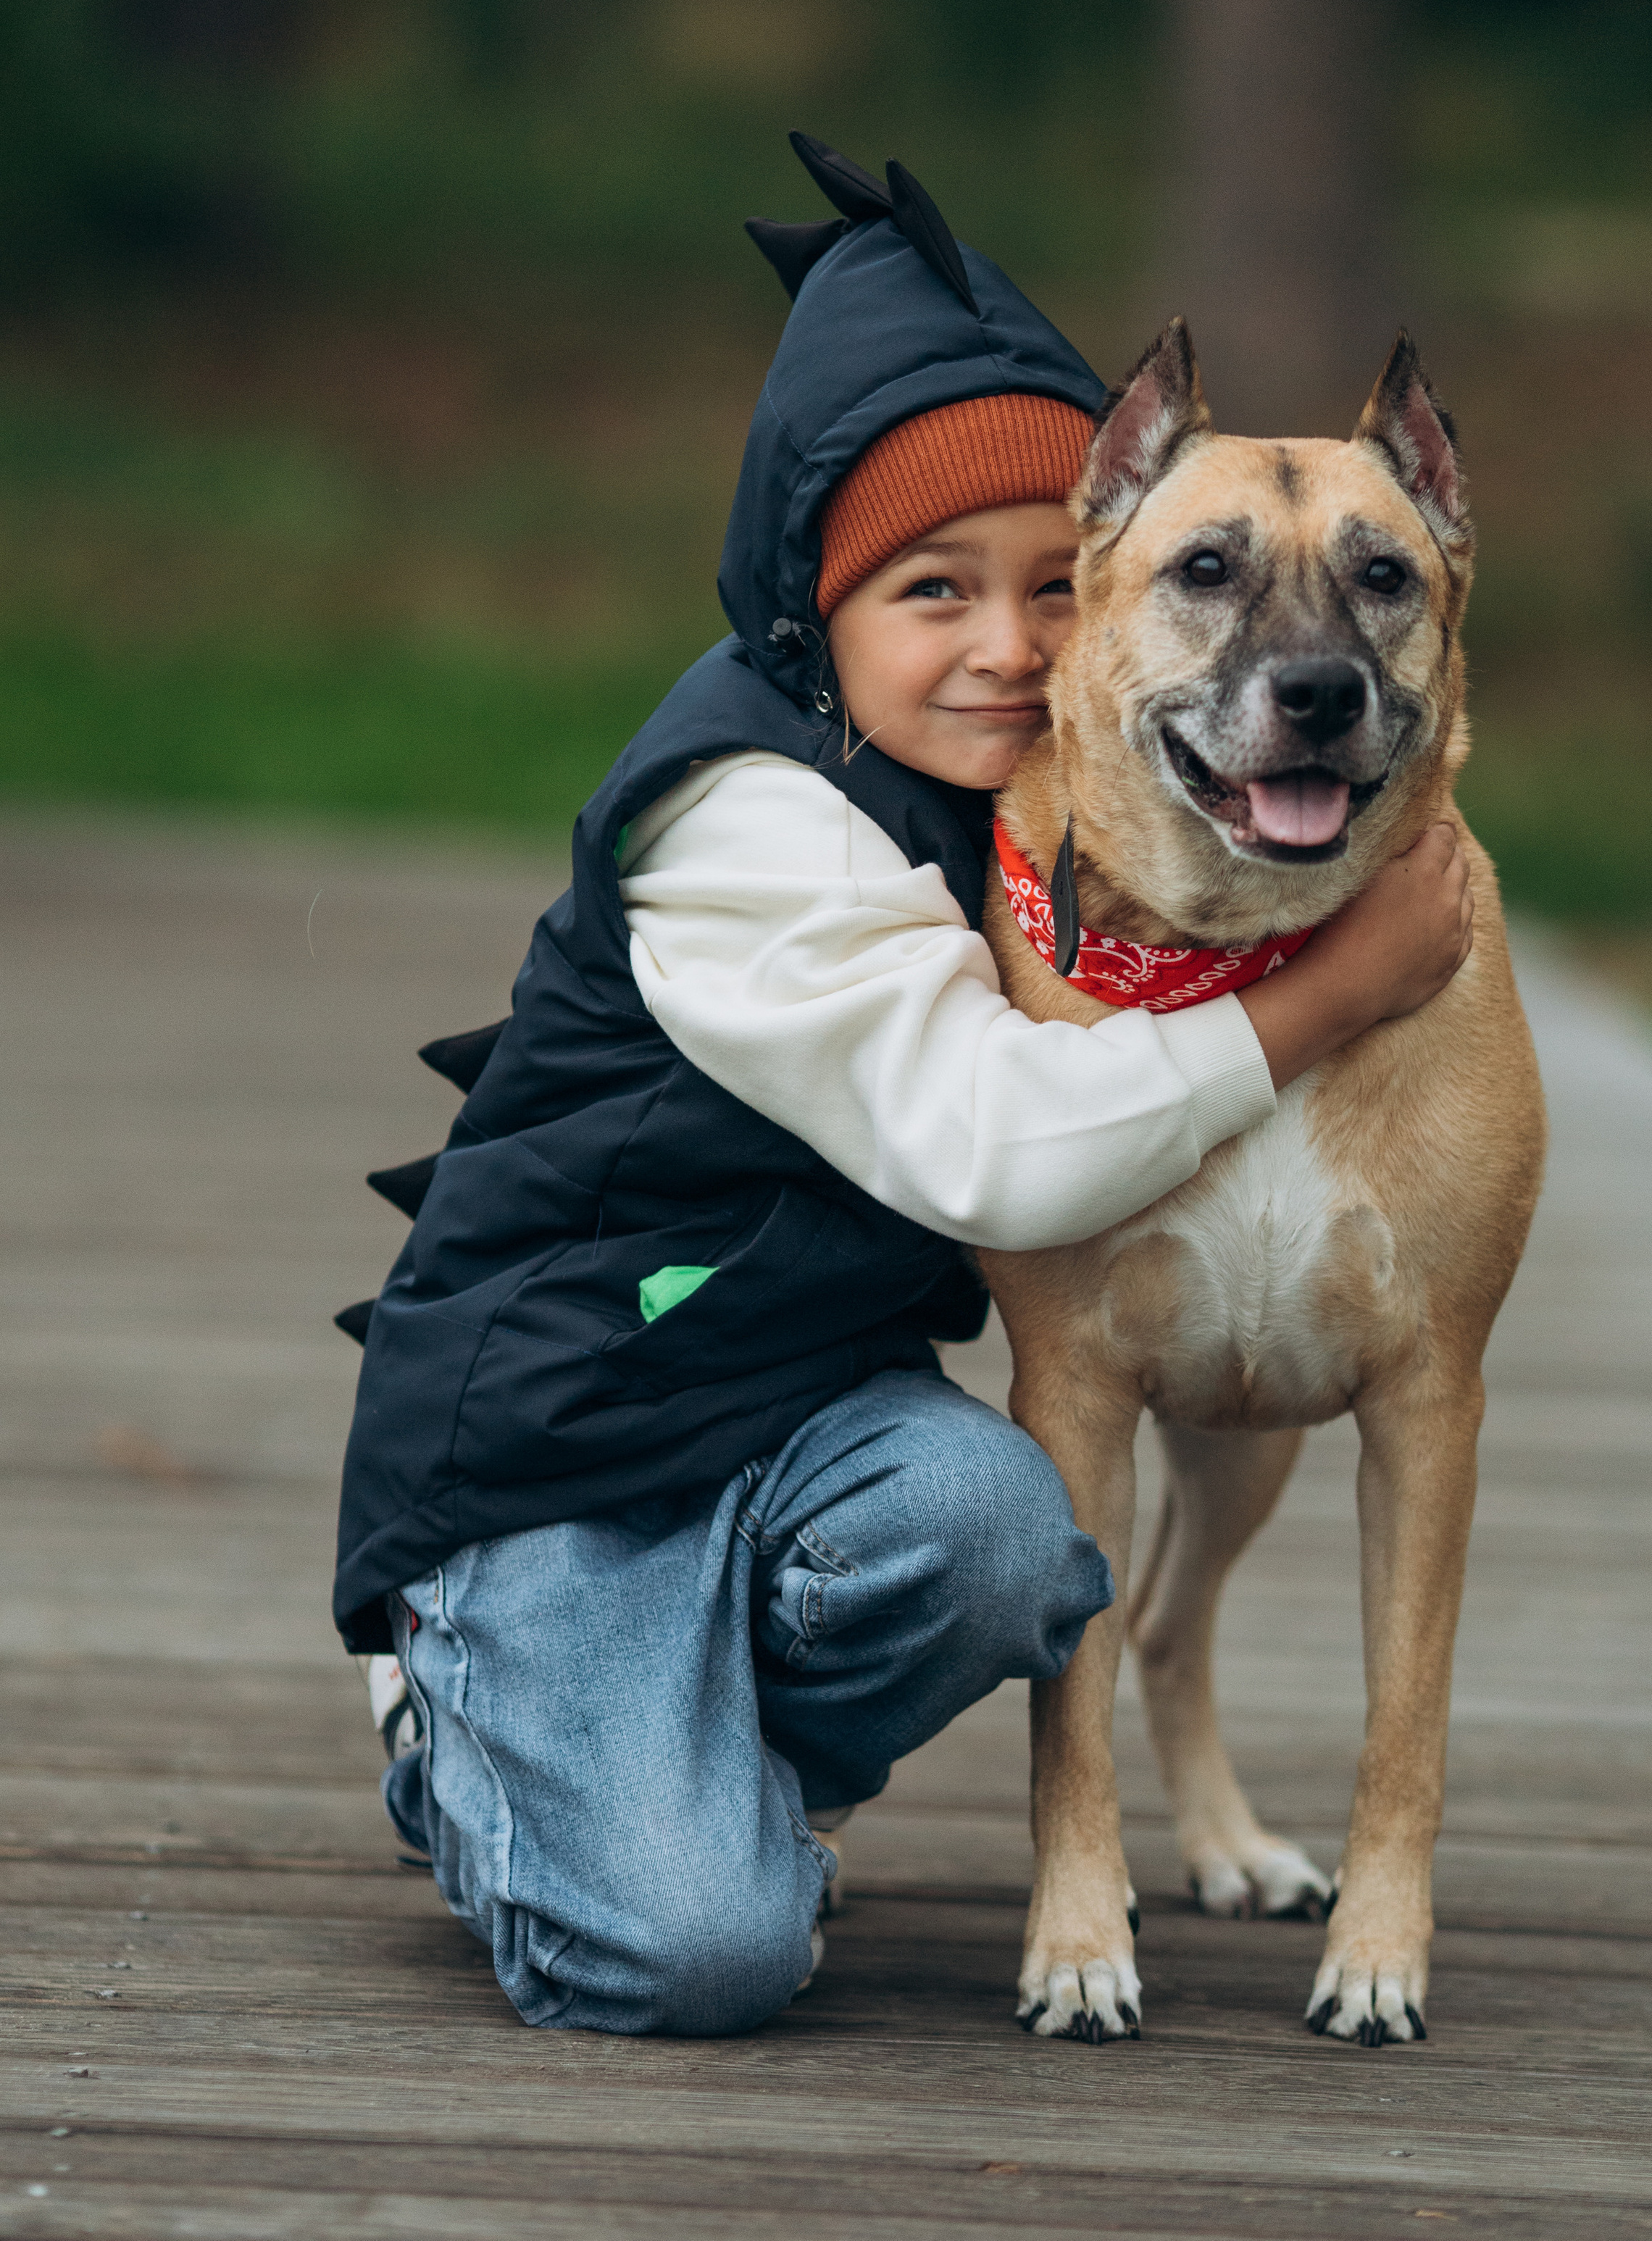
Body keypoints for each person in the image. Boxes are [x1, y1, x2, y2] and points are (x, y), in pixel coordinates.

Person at [333, 135, 1473, 2037]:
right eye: (934, 591)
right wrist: (1336, 990)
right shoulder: (744, 824)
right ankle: (471, 1734)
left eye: (1051, 588)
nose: (1007, 647)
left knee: (1013, 1530)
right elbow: (988, 1139)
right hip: (562, 1467)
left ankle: (681, 1753)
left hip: (787, 1423)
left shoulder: (1029, 808)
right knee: (707, 1954)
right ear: (812, 608)